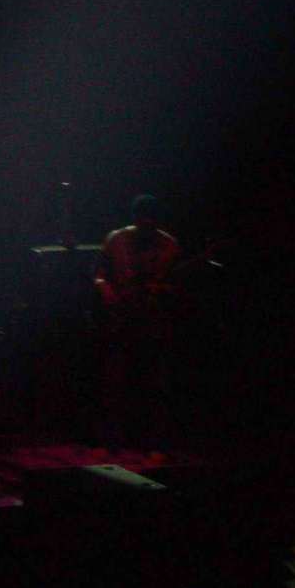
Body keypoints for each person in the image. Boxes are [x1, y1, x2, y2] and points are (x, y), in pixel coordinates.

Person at [92, 193, 182, 452]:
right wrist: (107, 292)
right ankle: (114, 435)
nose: (147, 226)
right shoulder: (116, 240)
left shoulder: (169, 245)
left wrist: (160, 290)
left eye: (151, 221)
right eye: (143, 220)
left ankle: (150, 436)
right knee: (116, 378)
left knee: (152, 380)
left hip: (152, 321)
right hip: (120, 319)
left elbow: (175, 285)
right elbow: (99, 275)